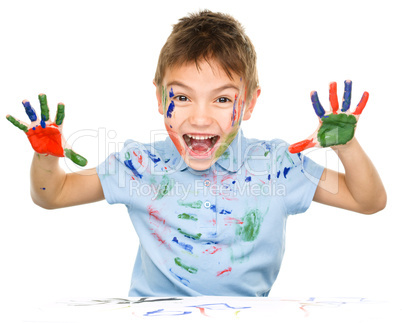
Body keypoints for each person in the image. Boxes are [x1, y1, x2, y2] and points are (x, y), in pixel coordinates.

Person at [6, 10, 386, 297]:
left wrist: (345, 145)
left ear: (250, 103)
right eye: (183, 97)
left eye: (222, 99)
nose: (200, 117)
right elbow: (51, 196)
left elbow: (367, 200)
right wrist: (45, 157)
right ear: (159, 97)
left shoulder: (275, 166)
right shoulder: (140, 167)